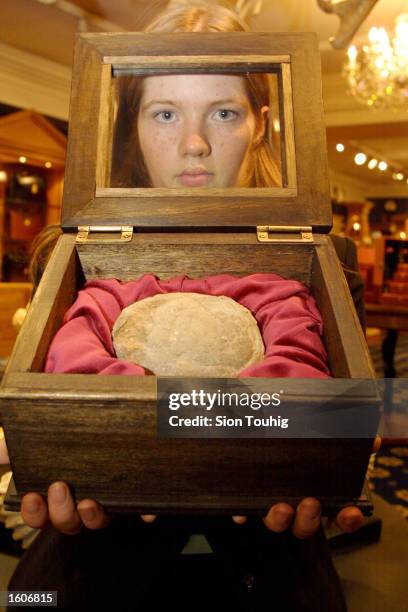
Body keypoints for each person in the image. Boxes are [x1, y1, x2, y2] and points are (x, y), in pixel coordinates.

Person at [2, 3, 376, 610]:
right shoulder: (68, 257)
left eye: (223, 112)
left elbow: (348, 423)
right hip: (83, 576)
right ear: (131, 125)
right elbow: (31, 428)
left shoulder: (329, 258)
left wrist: (334, 467)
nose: (194, 144)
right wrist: (31, 459)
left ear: (260, 122)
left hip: (274, 575)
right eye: (166, 112)